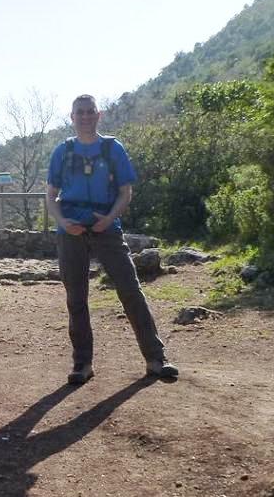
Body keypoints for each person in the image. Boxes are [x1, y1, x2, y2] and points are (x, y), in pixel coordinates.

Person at [46, 94, 178, 385]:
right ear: (72, 116)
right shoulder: (63, 152)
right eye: (79, 112)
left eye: (89, 111)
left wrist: (108, 219)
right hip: (70, 232)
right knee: (76, 298)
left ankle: (156, 359)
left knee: (131, 290)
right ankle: (82, 364)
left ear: (98, 115)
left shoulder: (112, 149)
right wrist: (63, 222)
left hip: (107, 226)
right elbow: (51, 195)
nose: (84, 116)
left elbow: (125, 192)